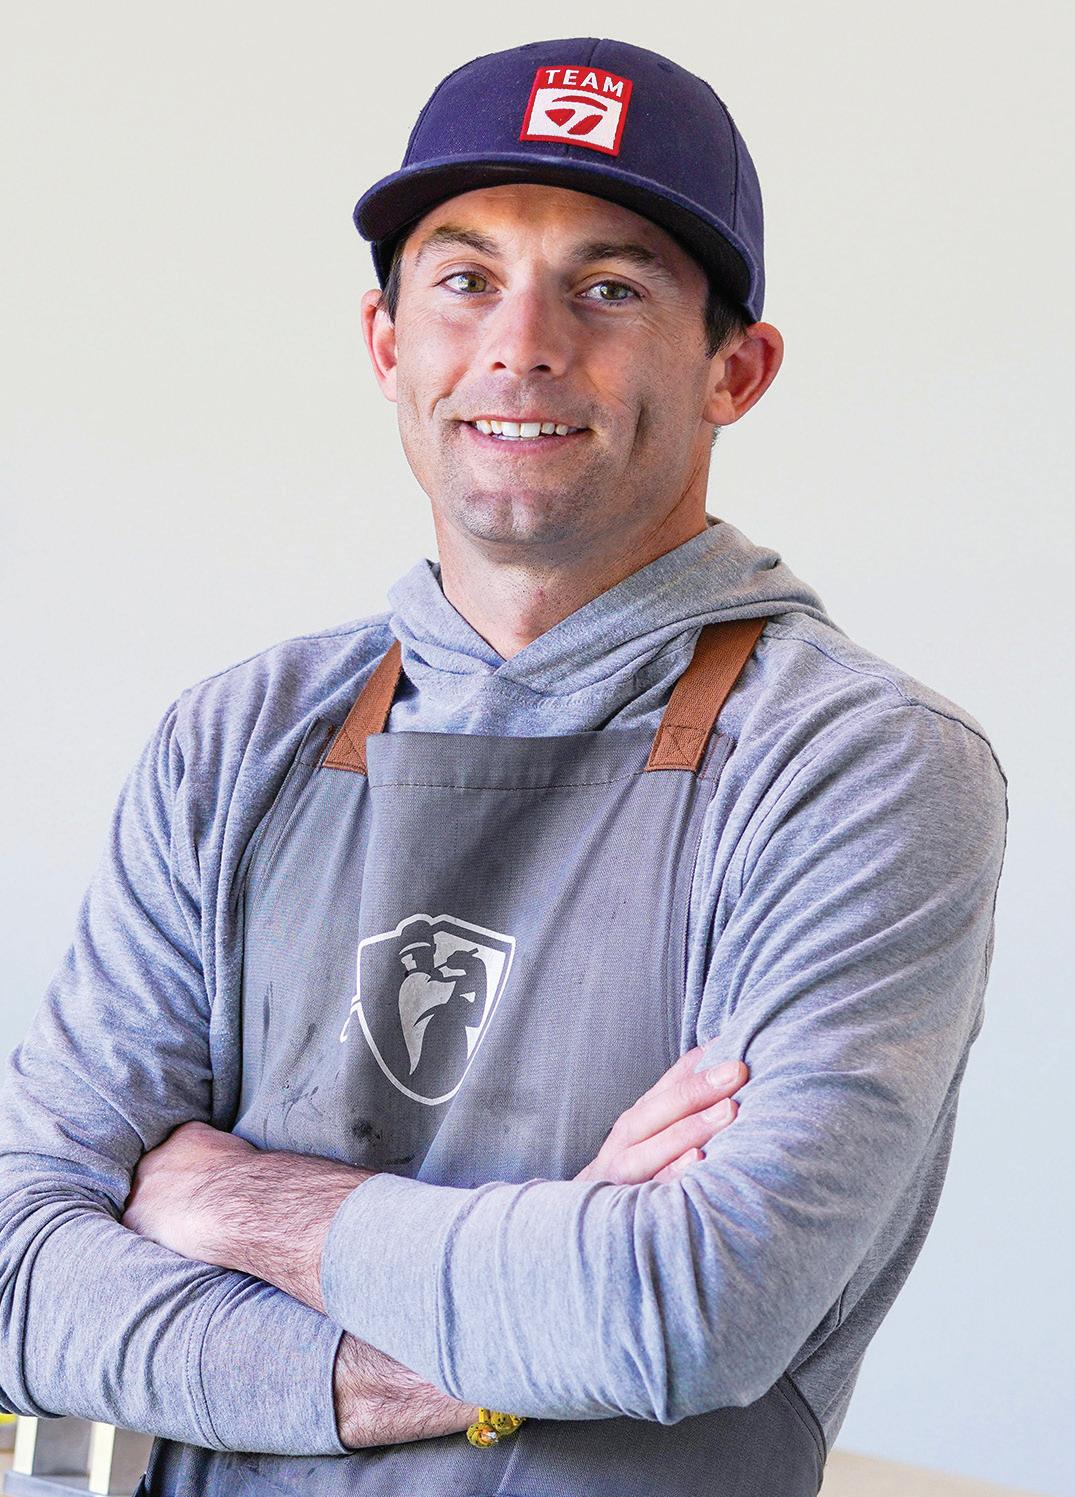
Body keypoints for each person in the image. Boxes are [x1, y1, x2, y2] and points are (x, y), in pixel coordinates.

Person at [0, 35, 1008, 1497]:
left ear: (735, 370)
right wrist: (499, 1335)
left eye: (610, 288)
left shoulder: (857, 767)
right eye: (466, 279)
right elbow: (21, 1267)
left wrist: (233, 1203)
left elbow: (683, 1306)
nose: (522, 344)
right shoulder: (235, 742)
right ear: (384, 343)